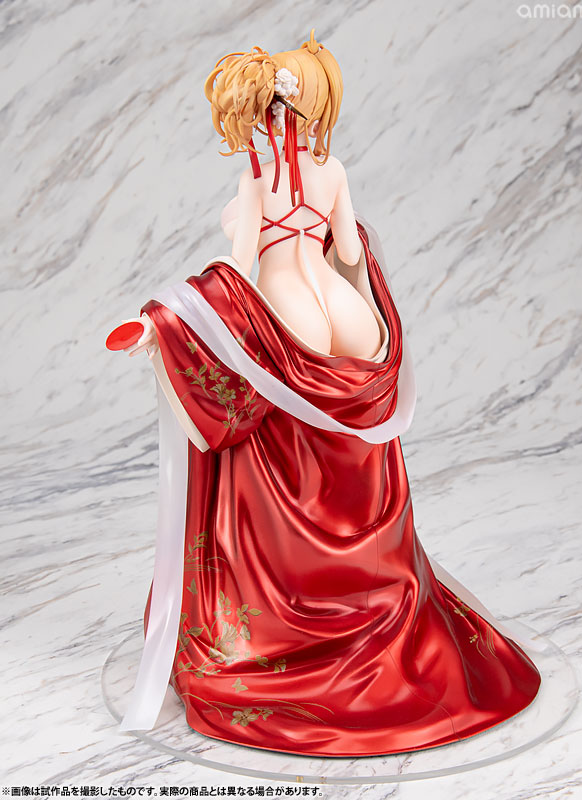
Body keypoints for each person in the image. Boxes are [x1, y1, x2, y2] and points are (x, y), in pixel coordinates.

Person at [115, 29, 541, 757]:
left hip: (291, 303)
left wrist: (176, 316)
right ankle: (367, 584)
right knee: (349, 439)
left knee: (279, 424)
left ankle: (305, 593)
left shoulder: (254, 184)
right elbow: (348, 251)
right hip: (347, 314)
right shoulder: (333, 168)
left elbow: (238, 275)